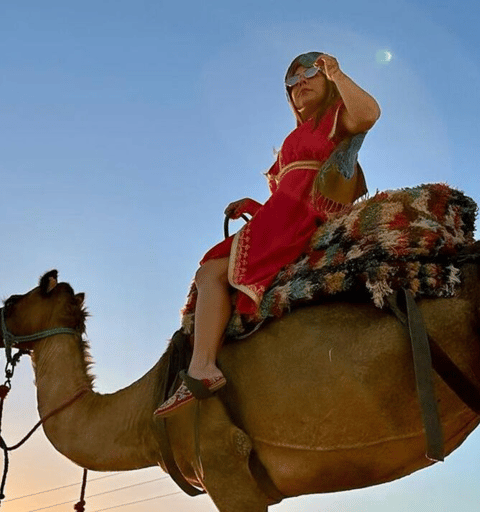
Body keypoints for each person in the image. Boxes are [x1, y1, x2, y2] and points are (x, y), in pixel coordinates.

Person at [154, 52, 380, 418]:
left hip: (300, 219)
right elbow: (287, 199)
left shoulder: (332, 120)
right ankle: (208, 361)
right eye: (292, 81)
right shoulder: (295, 138)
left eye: (311, 72)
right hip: (283, 217)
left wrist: (337, 74)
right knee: (209, 272)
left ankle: (203, 367)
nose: (301, 82)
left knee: (210, 271)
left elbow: (369, 114)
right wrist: (254, 206)